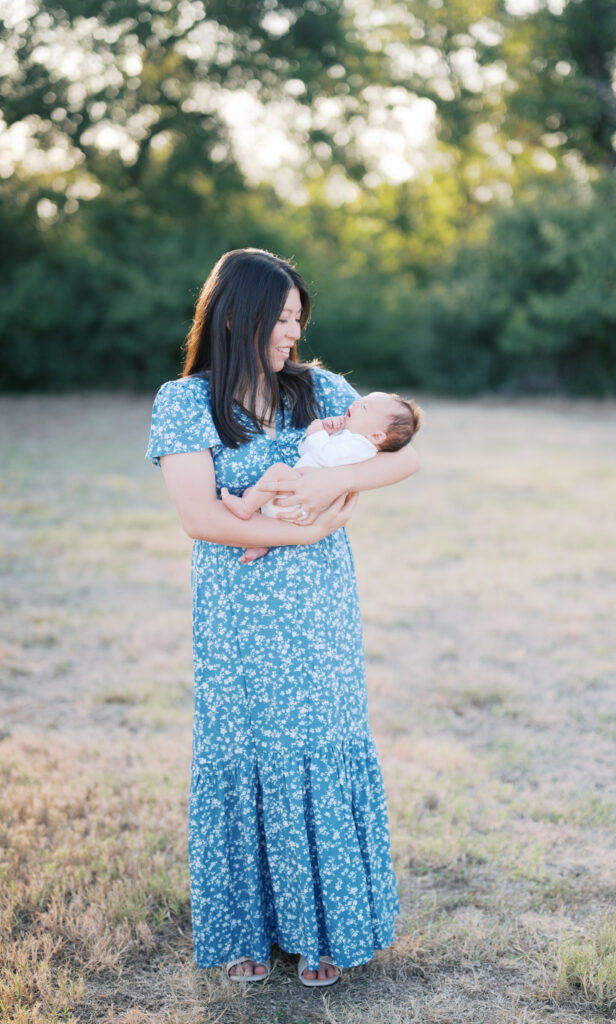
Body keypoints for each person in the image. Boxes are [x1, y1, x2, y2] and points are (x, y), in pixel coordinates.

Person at [146, 247, 419, 986]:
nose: (292, 333)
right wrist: (305, 529)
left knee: (319, 745)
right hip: (236, 615)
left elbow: (398, 459)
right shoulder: (184, 402)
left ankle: (323, 931)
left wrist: (341, 493)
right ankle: (244, 931)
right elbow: (200, 519)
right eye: (282, 319)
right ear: (238, 315)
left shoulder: (320, 389)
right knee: (243, 750)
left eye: (300, 318)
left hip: (320, 613)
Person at [221, 392, 422, 563]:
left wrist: (318, 433)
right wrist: (325, 433)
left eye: (364, 407)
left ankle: (245, 509)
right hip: (299, 498)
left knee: (277, 471)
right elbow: (306, 452)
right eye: (360, 400)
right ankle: (259, 543)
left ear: (377, 437)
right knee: (254, 492)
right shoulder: (348, 439)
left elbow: (325, 455)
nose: (355, 404)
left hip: (305, 500)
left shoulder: (361, 447)